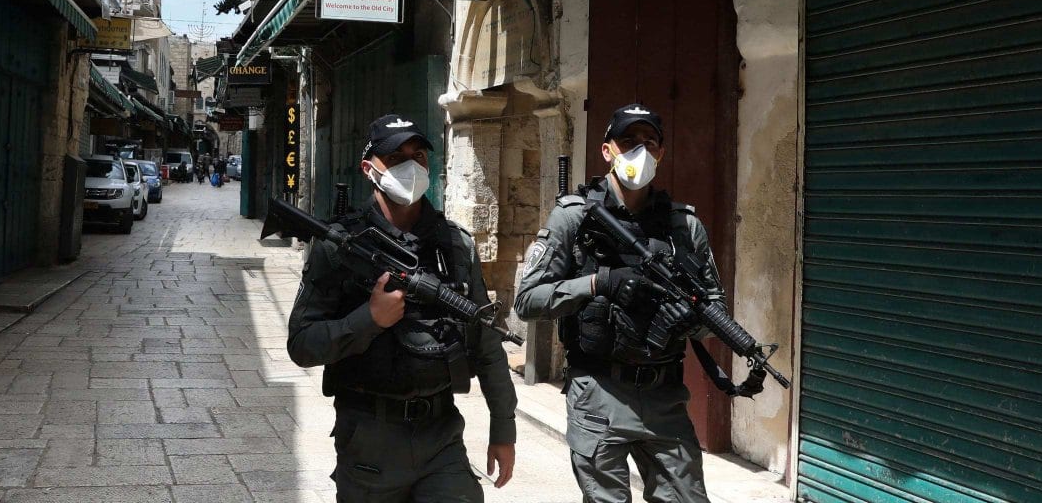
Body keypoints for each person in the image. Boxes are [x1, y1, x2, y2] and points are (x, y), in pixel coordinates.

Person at [288, 114, 517, 503]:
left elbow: (485, 341)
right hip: (370, 440)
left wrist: (503, 427)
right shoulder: (340, 245)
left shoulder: (455, 244)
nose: (411, 167)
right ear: (369, 169)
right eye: (396, 159)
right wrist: (368, 320)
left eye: (418, 156)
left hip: (442, 436)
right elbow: (302, 344)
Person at [515, 103, 728, 503]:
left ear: (661, 154)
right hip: (599, 392)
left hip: (665, 396)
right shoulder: (574, 218)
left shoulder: (685, 226)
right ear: (606, 151)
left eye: (649, 142)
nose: (639, 151)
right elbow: (527, 300)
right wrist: (597, 283)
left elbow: (716, 309)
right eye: (628, 141)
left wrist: (690, 320)